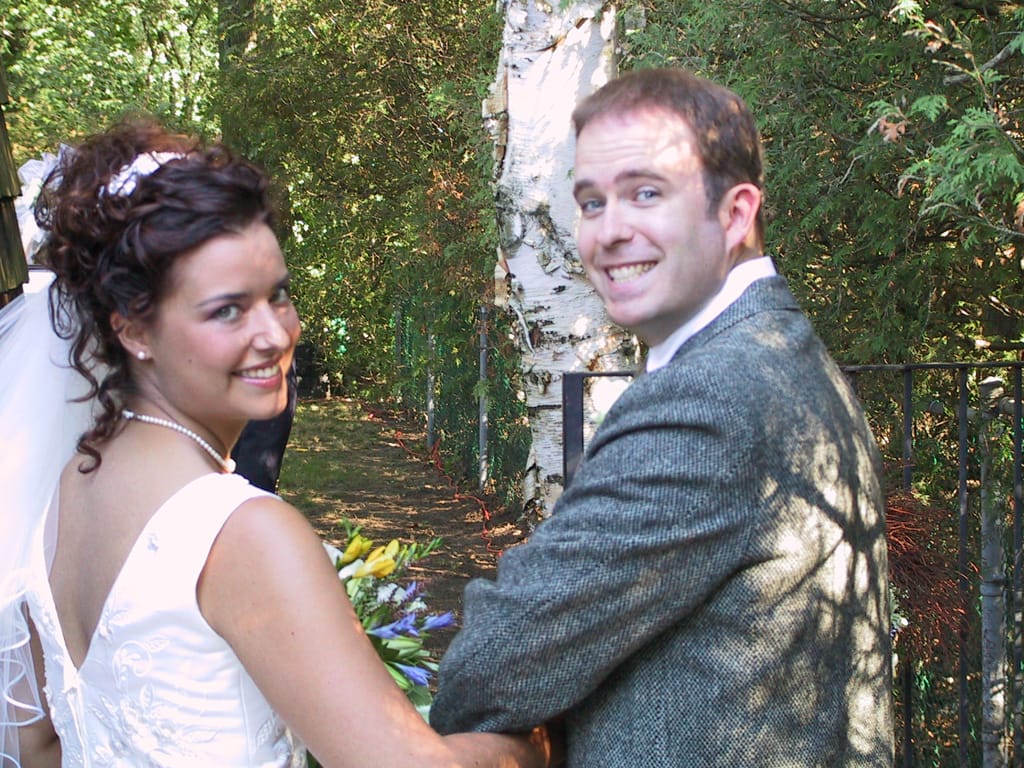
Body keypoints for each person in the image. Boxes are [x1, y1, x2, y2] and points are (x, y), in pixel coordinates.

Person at [1, 118, 551, 768]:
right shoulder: (241, 532)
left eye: (278, 295)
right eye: (227, 310)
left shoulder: (66, 493)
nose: (274, 333)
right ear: (134, 330)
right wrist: (531, 742)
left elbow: (36, 743)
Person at [430, 67, 894, 766]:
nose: (610, 232)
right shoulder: (780, 349)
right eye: (590, 202)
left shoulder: (710, 400)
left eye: (646, 193)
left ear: (735, 214)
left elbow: (496, 657)